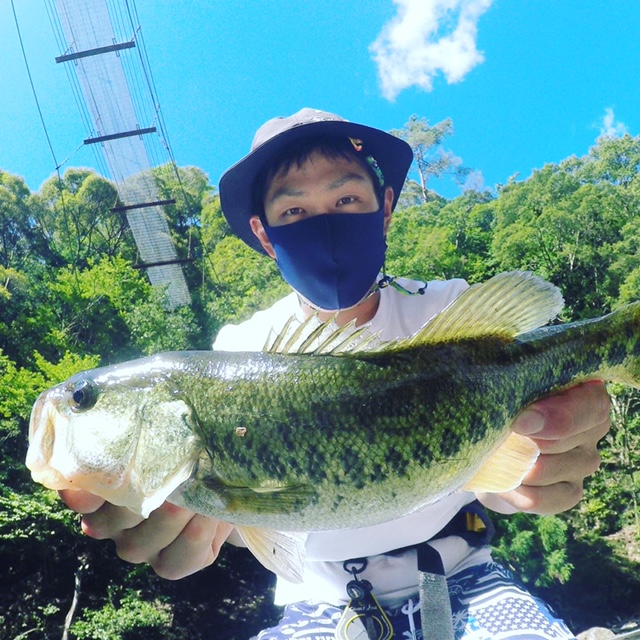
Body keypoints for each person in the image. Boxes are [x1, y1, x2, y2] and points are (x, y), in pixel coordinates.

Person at [60, 108, 611, 639]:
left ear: (386, 206)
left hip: (464, 574)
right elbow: (248, 519)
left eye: (347, 198)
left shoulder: (448, 312)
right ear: (265, 234)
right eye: (294, 211)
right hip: (319, 604)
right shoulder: (240, 352)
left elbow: (496, 478)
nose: (324, 224)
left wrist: (536, 472)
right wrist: (206, 528)